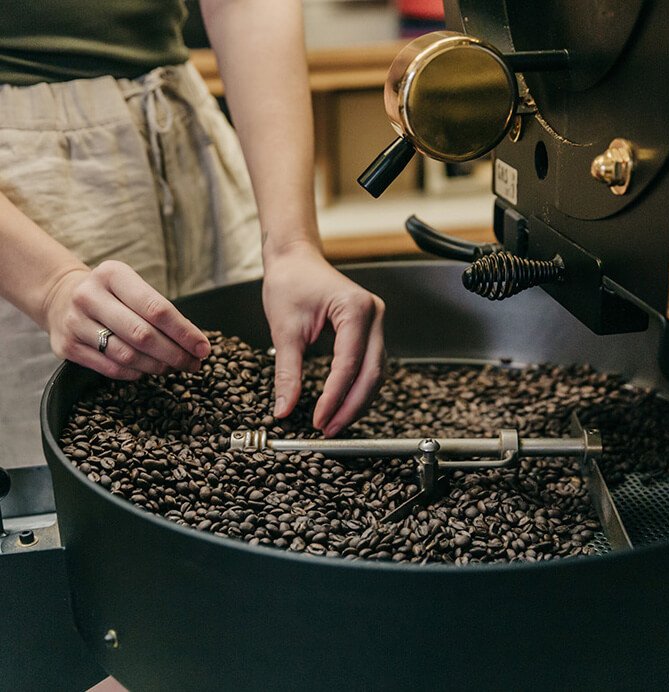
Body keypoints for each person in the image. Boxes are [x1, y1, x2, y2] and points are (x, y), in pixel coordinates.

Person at [0, 1, 386, 469]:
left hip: (183, 129)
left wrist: (292, 245)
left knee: (258, 451)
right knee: (61, 483)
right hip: (20, 209)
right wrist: (52, 286)